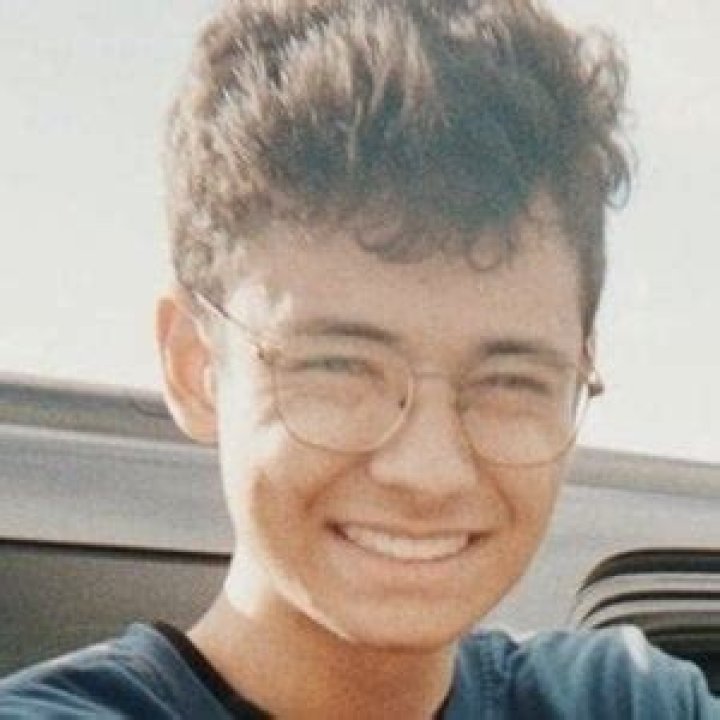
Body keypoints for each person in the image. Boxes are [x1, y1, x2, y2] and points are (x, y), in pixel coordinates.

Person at [1, 0, 718, 717]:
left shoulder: (620, 700)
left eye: (510, 381)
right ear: (195, 367)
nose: (427, 472)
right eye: (339, 367)